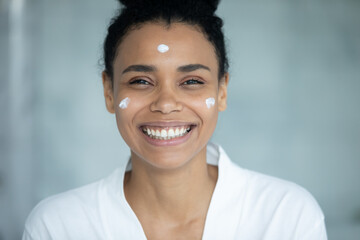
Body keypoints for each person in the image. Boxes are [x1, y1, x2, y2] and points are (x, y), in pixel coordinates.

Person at [22, 0, 327, 239]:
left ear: (222, 91)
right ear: (109, 91)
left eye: (192, 81)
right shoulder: (59, 226)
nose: (166, 104)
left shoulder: (286, 216)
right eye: (141, 81)